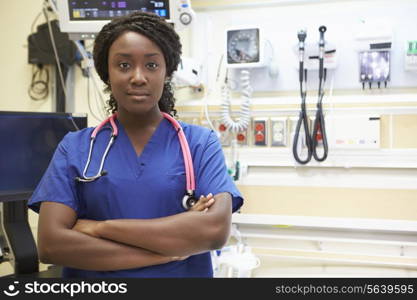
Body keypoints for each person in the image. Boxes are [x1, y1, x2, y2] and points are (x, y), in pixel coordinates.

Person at [28, 11, 243, 278]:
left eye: (151, 65)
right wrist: (165, 252)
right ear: (107, 72)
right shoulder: (75, 148)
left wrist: (99, 228)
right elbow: (52, 245)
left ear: (167, 72)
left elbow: (213, 231)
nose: (138, 77)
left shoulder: (199, 144)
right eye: (124, 65)